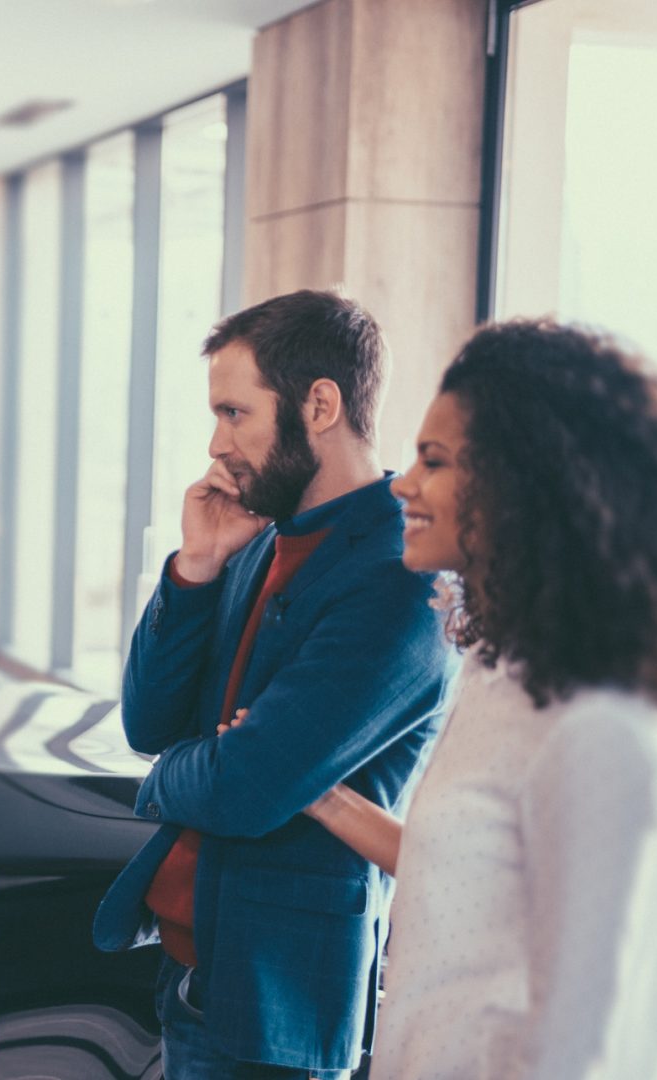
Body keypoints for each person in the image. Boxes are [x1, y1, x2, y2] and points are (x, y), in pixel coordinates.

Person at [274, 319, 657, 1079]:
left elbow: (584, 1050)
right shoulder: (498, 672)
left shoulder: (600, 730)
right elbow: (472, 875)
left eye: (436, 461)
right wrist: (328, 800)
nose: (402, 483)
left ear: (523, 484)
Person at [92, 290, 452, 1079]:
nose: (217, 445)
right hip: (195, 975)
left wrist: (172, 777)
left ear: (319, 404)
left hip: (279, 1004)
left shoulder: (399, 577)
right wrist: (196, 569)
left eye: (234, 413)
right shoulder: (257, 539)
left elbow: (245, 788)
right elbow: (149, 721)